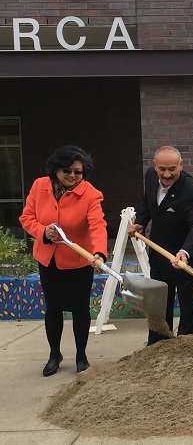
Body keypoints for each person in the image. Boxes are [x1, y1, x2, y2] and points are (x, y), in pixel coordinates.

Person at [19, 145, 108, 376]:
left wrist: (99, 252)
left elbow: (97, 224)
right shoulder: (40, 186)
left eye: (78, 172)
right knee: (53, 309)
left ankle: (81, 357)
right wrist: (42, 231)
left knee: (80, 310)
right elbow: (26, 217)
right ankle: (54, 355)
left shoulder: (90, 193)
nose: (72, 175)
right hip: (48, 259)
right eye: (67, 170)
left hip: (79, 261)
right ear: (55, 170)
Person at [128, 146, 193, 345]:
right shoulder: (151, 177)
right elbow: (146, 204)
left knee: (187, 305)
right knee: (160, 303)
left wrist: (185, 251)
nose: (167, 174)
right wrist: (141, 222)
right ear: (154, 166)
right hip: (159, 253)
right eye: (162, 169)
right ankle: (158, 345)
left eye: (172, 168)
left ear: (181, 165)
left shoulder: (192, 191)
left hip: (184, 257)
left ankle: (187, 345)